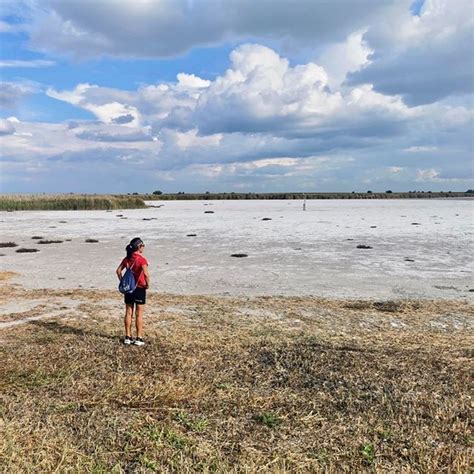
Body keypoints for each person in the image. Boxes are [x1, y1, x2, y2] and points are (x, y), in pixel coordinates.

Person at [116, 237, 150, 346]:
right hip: (139, 288)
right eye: (143, 245)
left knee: (128, 312)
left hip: (129, 289)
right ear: (139, 247)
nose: (144, 247)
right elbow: (146, 274)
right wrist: (147, 285)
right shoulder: (142, 260)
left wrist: (123, 282)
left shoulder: (127, 259)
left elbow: (118, 271)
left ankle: (127, 337)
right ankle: (139, 338)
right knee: (139, 314)